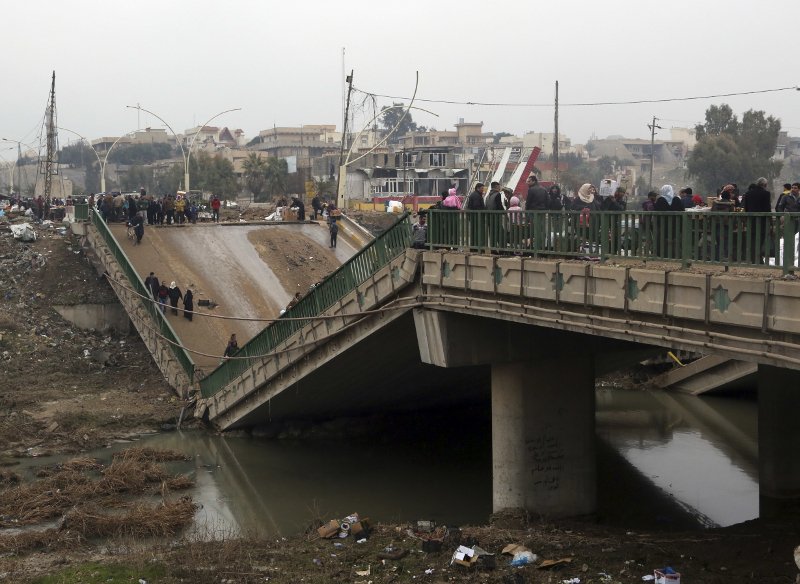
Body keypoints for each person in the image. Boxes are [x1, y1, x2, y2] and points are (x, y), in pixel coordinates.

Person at [744, 177, 772, 263]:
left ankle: (753, 259)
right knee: (760, 240)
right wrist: (770, 221)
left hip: (751, 220)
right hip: (762, 221)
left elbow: (746, 208)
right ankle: (758, 259)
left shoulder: (748, 193)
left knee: (752, 240)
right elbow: (767, 208)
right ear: (765, 185)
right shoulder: (766, 193)